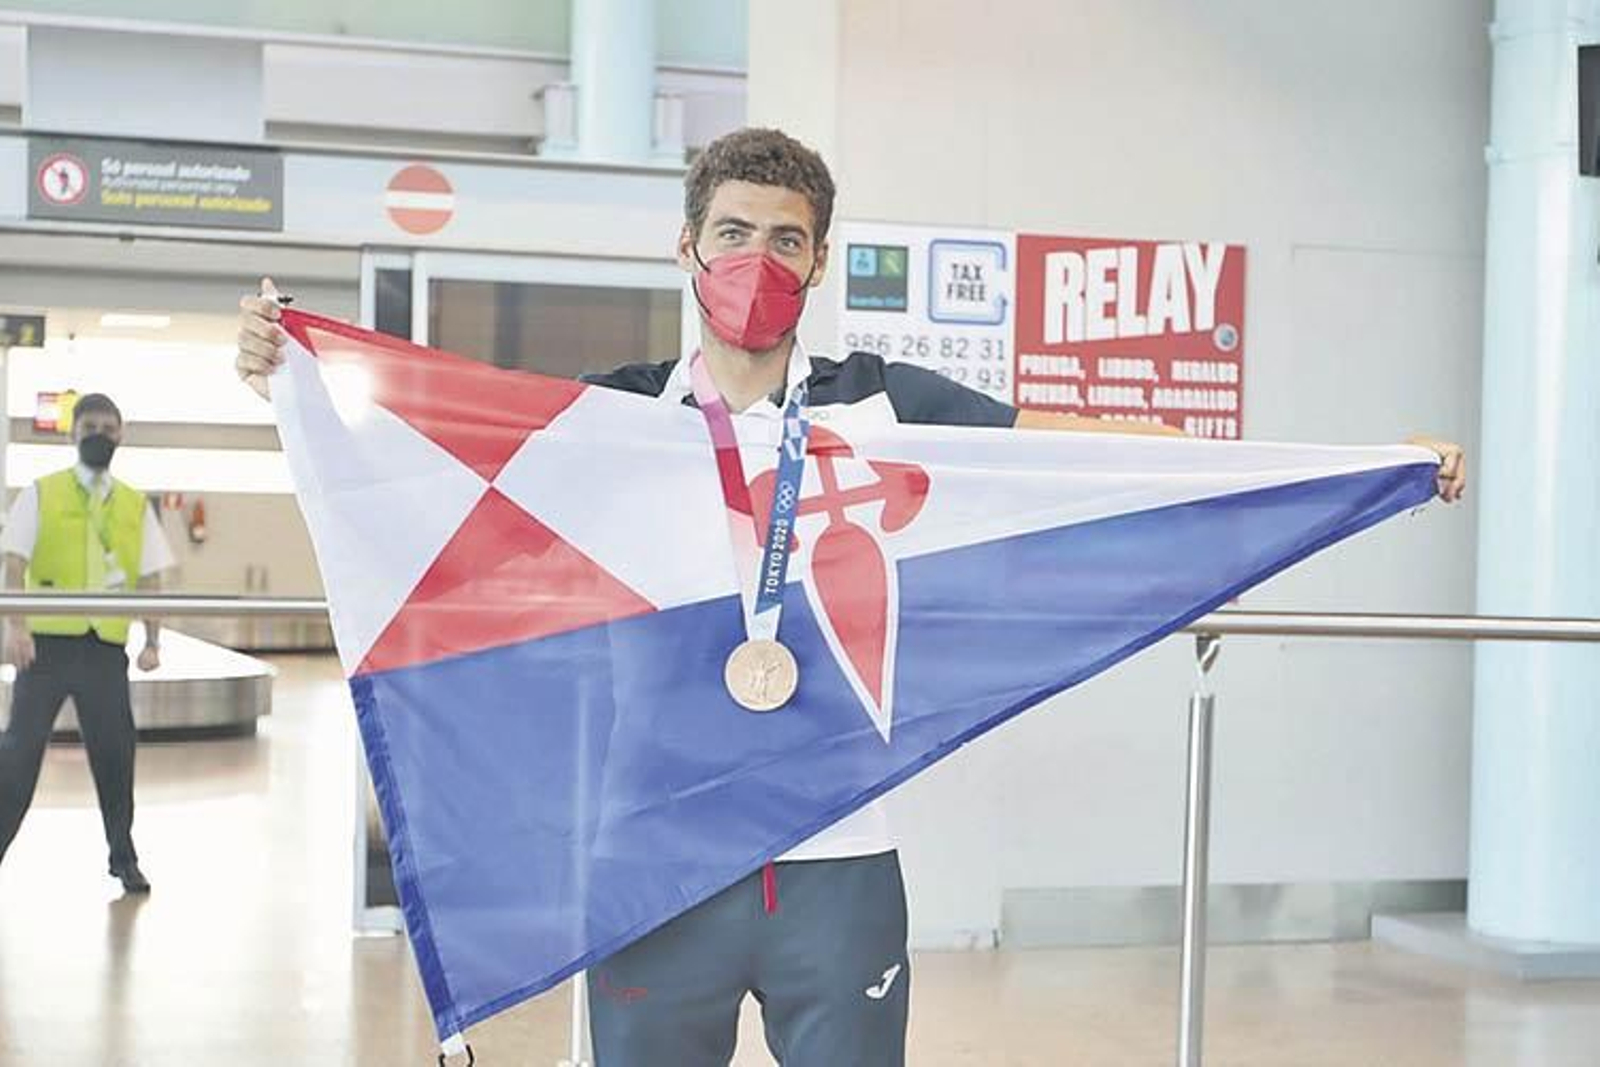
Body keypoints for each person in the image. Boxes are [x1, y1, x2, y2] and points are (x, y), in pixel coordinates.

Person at [235, 128, 1466, 1066]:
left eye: (784, 240)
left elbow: (1088, 458)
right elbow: (409, 474)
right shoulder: (603, 422)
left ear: (818, 260)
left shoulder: (886, 404)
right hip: (654, 857)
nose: (755, 262)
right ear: (685, 248)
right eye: (731, 234)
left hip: (840, 860)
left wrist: (1361, 464)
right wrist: (283, 377)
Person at [0, 393, 173, 894]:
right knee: (18, 755)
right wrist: (17, 627)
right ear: (73, 433)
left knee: (116, 755)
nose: (99, 433)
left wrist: (153, 640)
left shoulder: (135, 504)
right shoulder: (42, 493)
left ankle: (124, 859)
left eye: (108, 426)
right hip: (46, 649)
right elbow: (13, 564)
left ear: (121, 435)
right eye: (90, 425)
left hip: (104, 650)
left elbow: (152, 579)